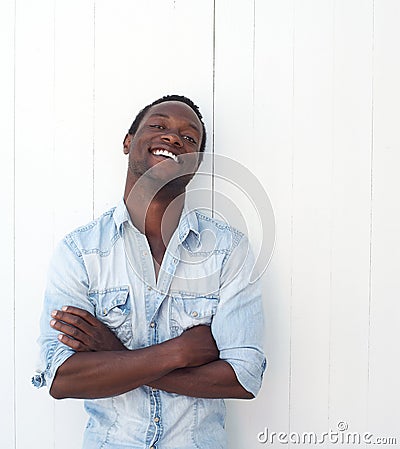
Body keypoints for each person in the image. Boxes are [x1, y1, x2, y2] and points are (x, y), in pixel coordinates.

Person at [33, 94, 266, 449]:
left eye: (189, 138)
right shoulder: (81, 252)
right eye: (158, 126)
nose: (173, 137)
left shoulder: (228, 250)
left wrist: (114, 353)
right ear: (128, 142)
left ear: (196, 163)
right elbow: (61, 378)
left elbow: (242, 378)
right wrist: (177, 353)